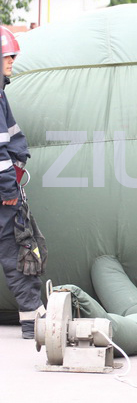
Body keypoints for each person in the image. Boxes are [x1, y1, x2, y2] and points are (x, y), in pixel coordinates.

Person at [0, 26, 46, 339]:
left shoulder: (2, 95)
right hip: (4, 192)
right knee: (18, 249)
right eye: (6, 56)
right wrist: (8, 190)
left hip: (8, 185)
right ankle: (33, 320)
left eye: (13, 55)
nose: (12, 61)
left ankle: (34, 316)